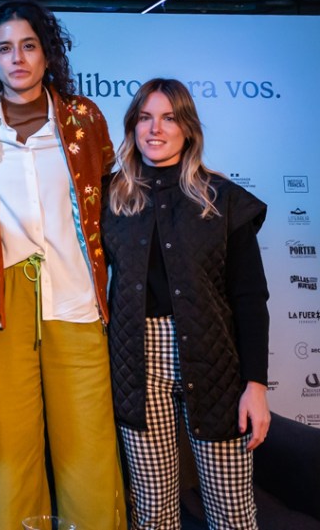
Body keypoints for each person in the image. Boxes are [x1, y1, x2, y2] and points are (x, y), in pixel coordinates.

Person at [0, 0, 127, 530]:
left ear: (47, 54)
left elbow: (120, 200)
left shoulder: (84, 119)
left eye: (28, 46)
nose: (17, 58)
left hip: (75, 295)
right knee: (13, 444)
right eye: (5, 48)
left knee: (89, 443)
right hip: (0, 301)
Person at [103, 78, 270, 529]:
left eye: (169, 118)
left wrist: (256, 384)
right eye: (145, 117)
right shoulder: (110, 196)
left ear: (188, 129)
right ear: (133, 126)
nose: (155, 129)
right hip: (135, 363)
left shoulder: (223, 199)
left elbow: (251, 298)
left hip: (214, 362)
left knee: (231, 511)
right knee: (153, 512)